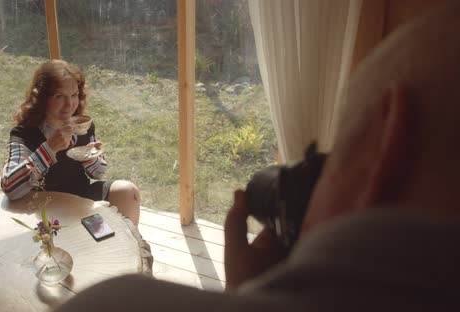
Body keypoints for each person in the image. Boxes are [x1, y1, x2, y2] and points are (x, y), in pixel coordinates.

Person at [56, 1, 460, 311]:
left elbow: (97, 170)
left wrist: (248, 297)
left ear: (383, 145)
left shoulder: (122, 304)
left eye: (326, 158)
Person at [0, 60, 140, 225]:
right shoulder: (25, 133)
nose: (69, 105)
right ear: (42, 98)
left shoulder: (82, 126)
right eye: (60, 96)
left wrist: (89, 157)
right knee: (92, 232)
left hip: (80, 197)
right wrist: (50, 148)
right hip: (42, 207)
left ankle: (129, 246)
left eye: (74, 95)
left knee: (128, 192)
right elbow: (10, 188)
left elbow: (99, 172)